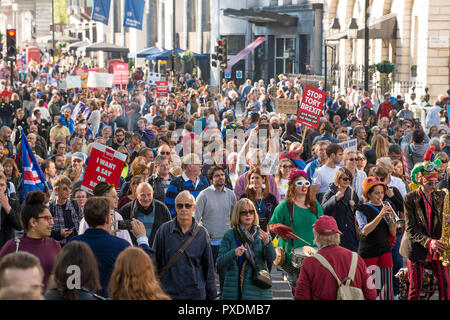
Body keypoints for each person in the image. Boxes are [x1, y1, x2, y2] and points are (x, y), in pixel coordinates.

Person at [70, 196, 154, 298]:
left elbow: (71, 282)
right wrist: (142, 239)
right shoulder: (121, 245)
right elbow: (143, 267)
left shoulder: (73, 243)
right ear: (108, 218)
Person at [152, 191, 217, 300]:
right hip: (168, 293)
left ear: (194, 208)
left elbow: (208, 268)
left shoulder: (202, 233)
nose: (184, 209)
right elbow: (154, 262)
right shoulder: (163, 231)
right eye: (180, 205)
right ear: (175, 208)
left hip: (195, 294)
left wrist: (212, 295)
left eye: (188, 205)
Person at [400, 159, 450, 300]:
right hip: (416, 247)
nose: (434, 186)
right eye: (430, 183)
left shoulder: (441, 195)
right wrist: (429, 242)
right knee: (416, 287)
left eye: (435, 182)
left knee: (446, 284)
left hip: (437, 246)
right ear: (421, 181)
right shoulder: (409, 198)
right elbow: (410, 228)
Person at [268, 170, 323, 296]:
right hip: (292, 259)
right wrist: (278, 228)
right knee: (299, 294)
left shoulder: (315, 205)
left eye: (306, 183)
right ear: (292, 185)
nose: (304, 186)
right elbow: (271, 225)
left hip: (313, 256)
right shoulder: (284, 206)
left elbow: (322, 226)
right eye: (300, 183)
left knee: (314, 292)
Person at [294, 215, 377, 300]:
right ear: (338, 234)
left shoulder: (310, 263)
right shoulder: (356, 258)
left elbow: (301, 296)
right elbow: (371, 294)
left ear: (316, 236)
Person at [217, 198, 276, 300]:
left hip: (258, 290)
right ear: (237, 215)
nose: (248, 215)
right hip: (234, 291)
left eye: (251, 211)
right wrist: (233, 253)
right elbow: (219, 263)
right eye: (244, 212)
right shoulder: (230, 235)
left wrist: (267, 243)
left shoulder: (262, 233)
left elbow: (271, 258)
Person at [0, 191, 61, 288]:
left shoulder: (55, 245)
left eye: (52, 218)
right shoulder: (13, 246)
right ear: (33, 222)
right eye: (47, 218)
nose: (52, 222)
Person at [355, 177, 397, 300]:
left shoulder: (388, 206)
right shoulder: (361, 208)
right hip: (369, 252)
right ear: (368, 194)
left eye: (382, 192)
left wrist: (392, 220)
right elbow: (365, 230)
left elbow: (393, 232)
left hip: (385, 249)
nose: (380, 196)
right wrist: (380, 215)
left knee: (387, 286)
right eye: (376, 193)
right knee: (371, 287)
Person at [194, 166, 236, 264]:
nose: (221, 177)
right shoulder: (203, 195)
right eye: (217, 176)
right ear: (211, 179)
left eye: (222, 175)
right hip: (208, 243)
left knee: (225, 275)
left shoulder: (231, 195)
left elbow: (234, 219)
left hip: (226, 242)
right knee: (209, 274)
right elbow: (195, 218)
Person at [119, 182, 171, 247]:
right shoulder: (125, 211)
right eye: (142, 195)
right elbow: (121, 235)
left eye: (149, 195)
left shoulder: (162, 209)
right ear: (136, 195)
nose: (146, 198)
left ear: (153, 194)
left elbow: (169, 233)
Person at [321, 167, 360, 252]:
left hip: (350, 232)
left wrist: (355, 205)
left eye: (349, 179)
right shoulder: (330, 193)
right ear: (338, 179)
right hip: (335, 232)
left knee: (351, 257)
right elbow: (322, 210)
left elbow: (359, 211)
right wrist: (334, 198)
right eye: (345, 179)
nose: (347, 181)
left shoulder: (352, 193)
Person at [240, 167, 278, 232]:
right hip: (250, 233)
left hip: (267, 233)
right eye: (252, 178)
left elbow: (276, 217)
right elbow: (240, 216)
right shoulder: (245, 197)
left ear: (263, 179)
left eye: (257, 178)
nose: (254, 180)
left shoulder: (271, 198)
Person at [48, 175, 83, 246]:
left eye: (70, 188)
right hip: (57, 247)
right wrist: (59, 233)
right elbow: (45, 232)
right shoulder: (50, 208)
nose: (68, 191)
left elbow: (82, 225)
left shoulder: (75, 204)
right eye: (64, 189)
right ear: (56, 190)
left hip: (75, 246)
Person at [0, 172, 21, 248]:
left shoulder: (13, 203)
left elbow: (19, 226)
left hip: (6, 246)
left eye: (2, 185)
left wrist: (7, 207)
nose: (0, 188)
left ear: (6, 187)